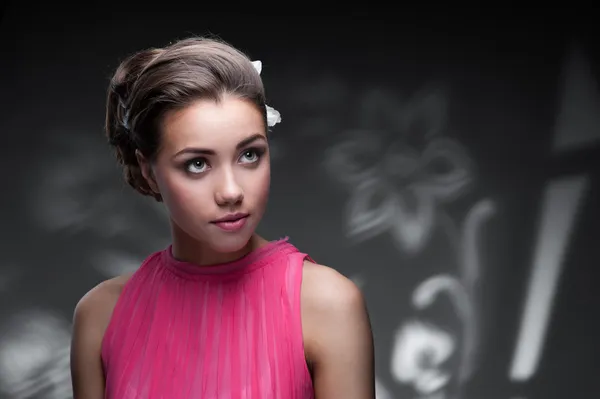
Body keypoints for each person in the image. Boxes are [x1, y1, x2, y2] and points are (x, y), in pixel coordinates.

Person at [69, 36, 375, 399]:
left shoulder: (328, 304)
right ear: (148, 171)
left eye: (249, 155)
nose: (231, 191)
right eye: (197, 164)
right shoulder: (100, 317)